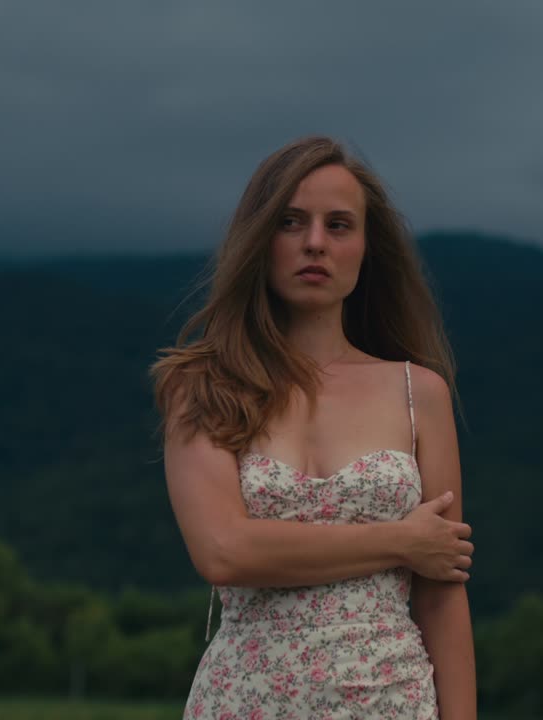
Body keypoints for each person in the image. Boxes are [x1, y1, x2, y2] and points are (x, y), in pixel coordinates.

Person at [151, 135, 476, 719]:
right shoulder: (201, 386)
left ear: (366, 248)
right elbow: (226, 550)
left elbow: (441, 596)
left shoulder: (418, 394)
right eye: (292, 222)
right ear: (259, 239)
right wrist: (400, 541)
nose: (316, 243)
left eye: (339, 225)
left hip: (391, 701)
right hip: (244, 702)